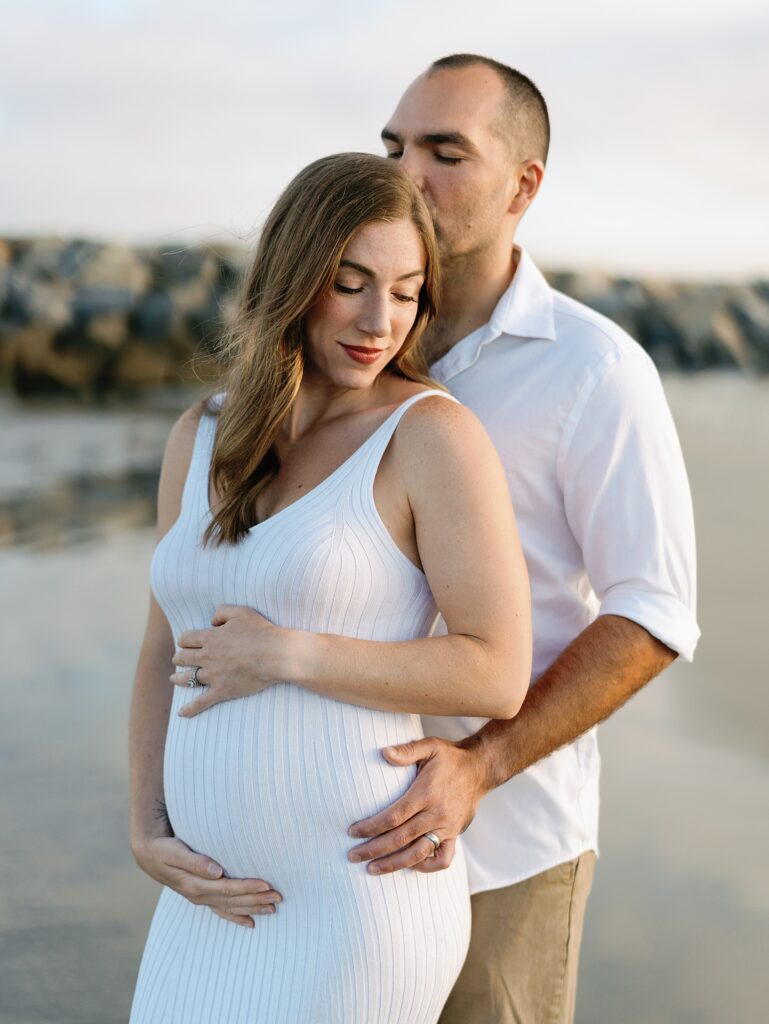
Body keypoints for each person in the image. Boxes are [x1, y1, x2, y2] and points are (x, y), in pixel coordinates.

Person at [179, 56, 700, 1023]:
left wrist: (481, 765)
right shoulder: (349, 356)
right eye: (393, 144)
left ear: (523, 186)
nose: (406, 171)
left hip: (503, 854)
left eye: (445, 151)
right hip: (314, 862)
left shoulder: (593, 370)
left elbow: (655, 611)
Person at [128, 152, 532, 1024]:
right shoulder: (199, 435)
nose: (379, 320)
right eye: (349, 283)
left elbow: (496, 670)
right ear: (294, 276)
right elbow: (165, 644)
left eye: (405, 290)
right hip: (205, 904)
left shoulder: (430, 438)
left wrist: (288, 652)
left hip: (356, 909)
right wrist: (145, 826)